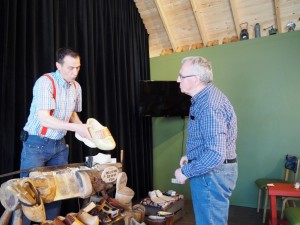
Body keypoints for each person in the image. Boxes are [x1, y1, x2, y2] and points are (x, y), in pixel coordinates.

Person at [19, 47, 91, 223]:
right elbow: (45, 119)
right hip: (36, 144)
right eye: (70, 68)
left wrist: (84, 129)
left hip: (59, 145)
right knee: (29, 197)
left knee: (56, 193)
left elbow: (72, 114)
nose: (75, 72)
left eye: (78, 67)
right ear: (58, 65)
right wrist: (77, 129)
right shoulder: (45, 82)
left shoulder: (76, 87)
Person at [174, 56, 238, 225]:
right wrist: (192, 156)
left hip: (212, 175)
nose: (177, 79)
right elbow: (208, 140)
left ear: (195, 80)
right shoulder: (204, 98)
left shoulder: (209, 105)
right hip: (212, 172)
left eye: (181, 76)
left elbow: (216, 154)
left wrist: (185, 172)